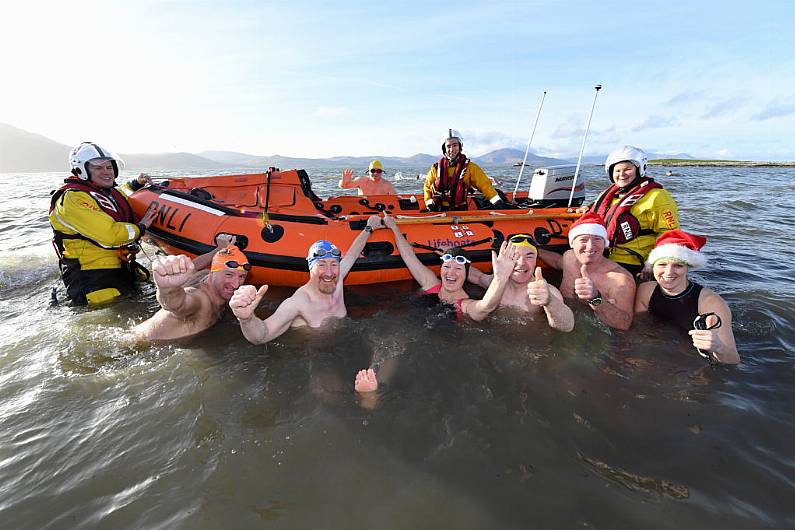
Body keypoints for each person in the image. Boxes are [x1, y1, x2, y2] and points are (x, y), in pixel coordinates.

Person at [352, 212, 518, 394]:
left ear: (466, 273)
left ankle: (375, 390)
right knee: (392, 342)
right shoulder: (431, 284)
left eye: (458, 269)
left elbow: (486, 306)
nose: (451, 273)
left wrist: (500, 278)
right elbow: (409, 256)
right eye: (446, 267)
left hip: (441, 344)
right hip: (411, 332)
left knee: (399, 344)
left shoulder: (464, 305)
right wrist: (394, 227)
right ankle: (373, 389)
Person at [229, 215, 385, 344]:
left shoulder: (337, 279)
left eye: (333, 264)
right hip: (313, 352)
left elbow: (352, 253)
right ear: (310, 267)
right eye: (321, 265)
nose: (329, 273)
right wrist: (246, 318)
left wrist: (369, 227)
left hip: (341, 341)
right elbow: (262, 336)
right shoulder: (298, 303)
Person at [49, 142, 158, 305]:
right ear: (82, 170)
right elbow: (110, 234)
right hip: (92, 278)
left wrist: (137, 183)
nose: (107, 172)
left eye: (109, 167)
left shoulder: (103, 192)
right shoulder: (73, 199)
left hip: (120, 267)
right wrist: (141, 227)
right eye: (99, 168)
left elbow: (119, 196)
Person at [635, 230, 739, 364]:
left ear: (687, 268)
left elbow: (733, 359)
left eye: (678, 265)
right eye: (662, 264)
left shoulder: (711, 303)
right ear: (652, 266)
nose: (669, 272)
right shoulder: (646, 290)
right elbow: (638, 327)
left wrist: (718, 347)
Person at [580, 146, 680, 276]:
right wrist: (586, 208)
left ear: (639, 170)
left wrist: (652, 262)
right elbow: (602, 210)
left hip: (632, 261)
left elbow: (671, 233)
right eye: (617, 170)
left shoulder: (658, 196)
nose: (621, 174)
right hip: (602, 254)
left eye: (628, 169)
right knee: (569, 258)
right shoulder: (609, 194)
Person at [131, 243, 250, 342]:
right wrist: (166, 288)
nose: (236, 284)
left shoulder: (202, 275)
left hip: (137, 333)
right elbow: (177, 305)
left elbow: (194, 266)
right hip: (142, 344)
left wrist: (218, 249)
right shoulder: (201, 300)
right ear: (212, 272)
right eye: (229, 275)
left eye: (242, 277)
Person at [541, 213, 635, 331]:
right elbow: (557, 261)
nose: (590, 246)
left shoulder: (620, 279)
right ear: (572, 244)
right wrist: (534, 250)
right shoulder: (569, 257)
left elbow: (624, 324)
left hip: (596, 333)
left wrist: (596, 298)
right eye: (583, 240)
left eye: (597, 239)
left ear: (604, 244)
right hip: (561, 320)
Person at [468, 234, 574, 332]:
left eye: (529, 256)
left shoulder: (546, 291)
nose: (522, 263)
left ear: (536, 260)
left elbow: (567, 326)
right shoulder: (496, 283)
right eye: (515, 256)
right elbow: (476, 276)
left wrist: (550, 301)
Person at [422, 129, 508, 211]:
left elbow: (485, 185)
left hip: (461, 211)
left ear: (460, 146)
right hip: (439, 211)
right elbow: (427, 186)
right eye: (448, 146)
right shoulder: (435, 169)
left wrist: (496, 201)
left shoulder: (471, 168)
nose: (451, 150)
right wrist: (428, 202)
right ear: (444, 148)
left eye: (455, 145)